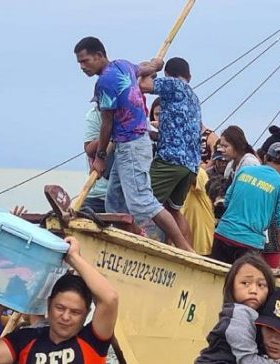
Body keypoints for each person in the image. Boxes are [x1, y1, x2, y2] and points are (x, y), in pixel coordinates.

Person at [74, 37, 193, 252]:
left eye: (85, 61)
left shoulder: (104, 83)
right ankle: (128, 240)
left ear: (99, 56)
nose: (82, 67)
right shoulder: (123, 65)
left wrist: (100, 157)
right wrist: (156, 64)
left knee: (142, 201)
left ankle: (185, 248)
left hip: (131, 144)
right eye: (79, 63)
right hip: (130, 144)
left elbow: (107, 122)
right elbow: (144, 68)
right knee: (115, 200)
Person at [142, 57, 202, 248]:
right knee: (173, 210)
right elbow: (181, 129)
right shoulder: (193, 96)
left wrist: (150, 67)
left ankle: (140, 242)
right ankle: (187, 249)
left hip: (171, 160)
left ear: (167, 74)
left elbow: (142, 85)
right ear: (189, 76)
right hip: (191, 164)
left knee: (142, 200)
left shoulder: (172, 84)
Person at [211, 142, 280, 270]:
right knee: (241, 285)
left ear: (265, 158)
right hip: (249, 244)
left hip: (223, 235)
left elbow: (226, 201)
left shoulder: (244, 171)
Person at [81, 105, 112, 214]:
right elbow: (89, 149)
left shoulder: (134, 113)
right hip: (97, 196)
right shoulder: (94, 114)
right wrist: (109, 135)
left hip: (124, 198)